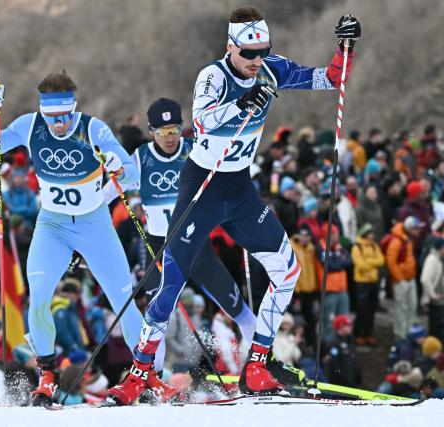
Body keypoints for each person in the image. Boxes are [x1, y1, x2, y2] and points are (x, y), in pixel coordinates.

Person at [109, 6, 360, 404]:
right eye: (249, 53)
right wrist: (246, 100)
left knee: (288, 270)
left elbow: (331, 79)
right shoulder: (213, 76)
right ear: (231, 47)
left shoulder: (269, 69)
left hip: (239, 189)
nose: (256, 60)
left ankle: (257, 364)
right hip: (202, 187)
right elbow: (205, 122)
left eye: (263, 51)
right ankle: (139, 375)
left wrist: (344, 49)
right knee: (171, 283)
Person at [0, 70, 149, 405]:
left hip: (94, 227)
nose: (58, 124)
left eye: (64, 116)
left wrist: (119, 166)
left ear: (74, 108)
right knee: (38, 298)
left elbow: (133, 173)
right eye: (51, 117)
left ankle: (146, 375)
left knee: (124, 301)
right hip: (52, 227)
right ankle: (48, 376)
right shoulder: (29, 125)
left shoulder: (92, 128)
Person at [103, 98, 256, 345]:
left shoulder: (196, 151)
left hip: (194, 244)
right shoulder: (140, 158)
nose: (169, 137)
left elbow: (233, 174)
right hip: (158, 248)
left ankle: (262, 364)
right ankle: (151, 376)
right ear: (151, 131)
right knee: (155, 321)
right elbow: (105, 196)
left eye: (174, 130)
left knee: (237, 307)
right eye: (162, 132)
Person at [385, 216, 420, 341]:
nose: (418, 231)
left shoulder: (407, 239)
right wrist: (399, 278)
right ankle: (400, 334)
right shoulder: (397, 241)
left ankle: (410, 331)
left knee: (412, 305)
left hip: (410, 278)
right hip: (401, 280)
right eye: (416, 228)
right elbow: (390, 261)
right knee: (401, 308)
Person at [351, 223, 385, 345]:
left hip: (373, 282)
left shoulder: (374, 246)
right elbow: (360, 265)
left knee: (371, 309)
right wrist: (372, 263)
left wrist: (368, 262)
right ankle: (359, 334)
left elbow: (381, 260)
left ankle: (368, 333)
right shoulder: (357, 247)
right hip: (362, 283)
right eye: (370, 233)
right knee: (362, 309)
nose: (373, 235)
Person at [420, 238, 444, 341]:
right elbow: (425, 279)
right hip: (436, 300)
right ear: (441, 248)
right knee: (435, 326)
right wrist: (433, 294)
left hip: (443, 299)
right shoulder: (432, 260)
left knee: (441, 324)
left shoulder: (441, 258)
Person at [324, 315, 361, 387]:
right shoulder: (334, 343)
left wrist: (358, 379)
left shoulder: (350, 342)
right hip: (340, 386)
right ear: (341, 326)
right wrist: (347, 380)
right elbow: (334, 366)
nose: (351, 327)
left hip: (352, 384)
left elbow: (355, 362)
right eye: (348, 325)